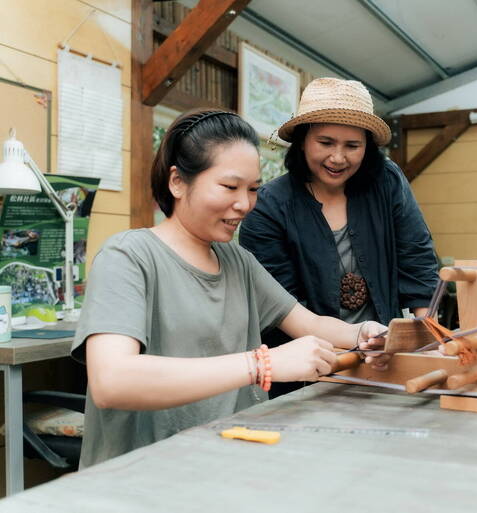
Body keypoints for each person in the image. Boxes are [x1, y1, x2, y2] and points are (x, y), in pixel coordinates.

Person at [71, 109, 387, 468]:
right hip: (142, 478)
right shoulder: (128, 256)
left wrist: (364, 332)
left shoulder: (238, 262)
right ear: (177, 182)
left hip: (230, 465)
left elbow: (311, 325)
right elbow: (112, 381)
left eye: (253, 189)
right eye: (229, 187)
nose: (245, 204)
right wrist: (262, 363)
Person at [239, 78, 439, 383]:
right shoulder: (268, 207)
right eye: (326, 142)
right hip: (306, 368)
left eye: (352, 146)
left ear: (367, 148)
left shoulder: (386, 182)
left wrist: (429, 337)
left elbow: (416, 256)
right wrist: (351, 344)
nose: (337, 157)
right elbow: (281, 305)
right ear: (303, 140)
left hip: (384, 357)